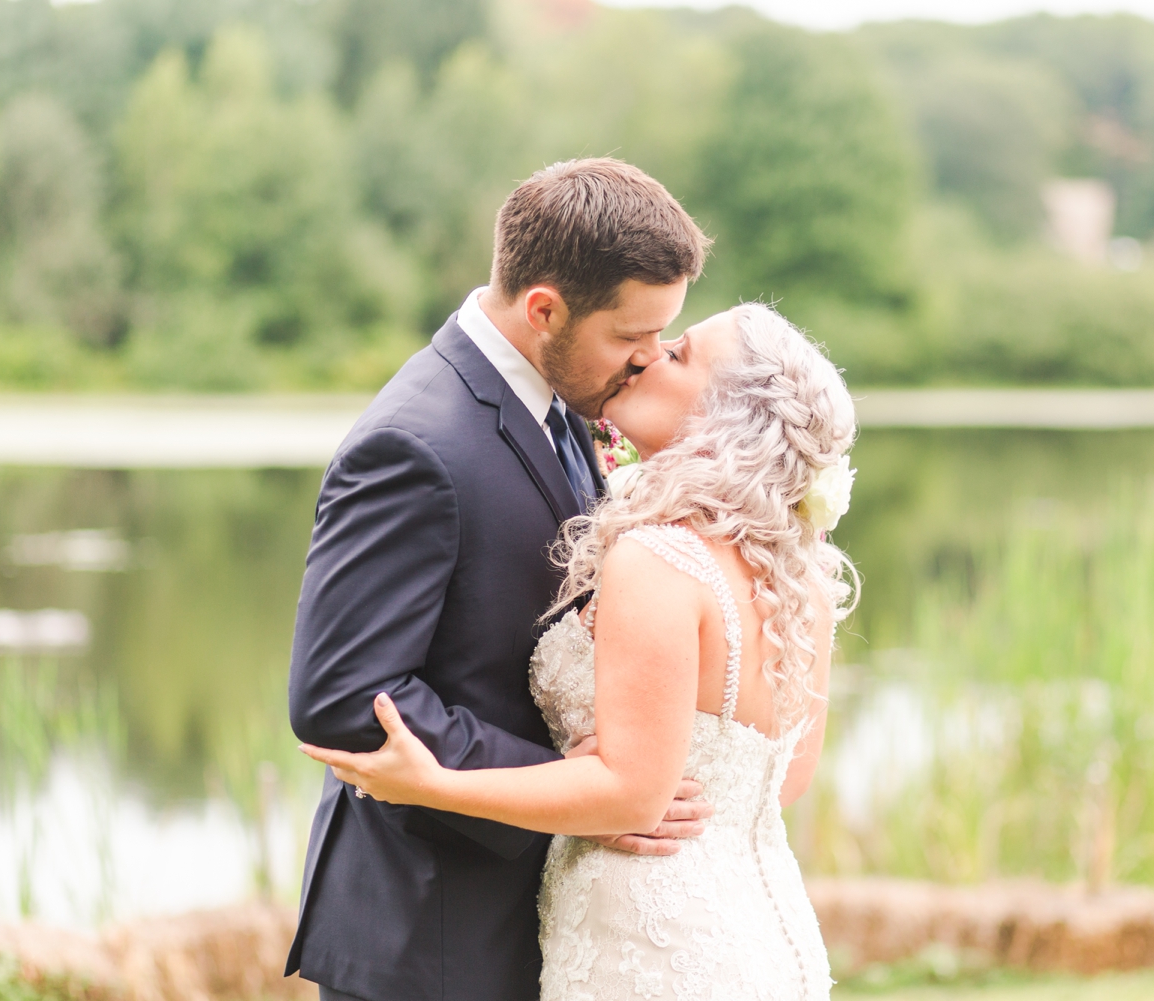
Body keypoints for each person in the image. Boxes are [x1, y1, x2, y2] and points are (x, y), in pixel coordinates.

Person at [301, 301, 859, 1001]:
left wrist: (434, 781)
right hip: (756, 926)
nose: (653, 354)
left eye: (680, 354)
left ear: (725, 419)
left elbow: (630, 789)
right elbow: (784, 778)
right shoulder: (802, 573)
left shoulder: (658, 558)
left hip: (646, 933)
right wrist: (659, 783)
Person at [284, 158, 715, 1001]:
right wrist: (576, 779)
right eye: (631, 337)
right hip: (432, 933)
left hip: (519, 916)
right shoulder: (415, 444)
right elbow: (341, 696)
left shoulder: (559, 400)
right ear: (544, 308)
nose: (647, 361)